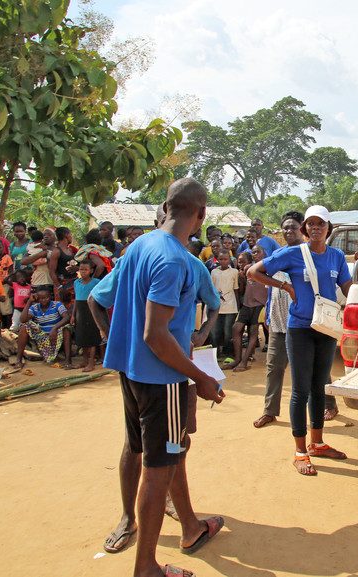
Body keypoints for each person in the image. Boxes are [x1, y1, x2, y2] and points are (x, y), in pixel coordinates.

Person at [90, 178, 224, 577]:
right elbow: (156, 334)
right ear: (200, 215)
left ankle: (189, 527)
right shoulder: (174, 260)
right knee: (159, 466)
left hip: (131, 372)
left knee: (148, 451)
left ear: (166, 207)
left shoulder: (140, 246)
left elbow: (104, 299)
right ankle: (146, 566)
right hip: (162, 377)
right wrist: (200, 377)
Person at [248, 205, 358, 476]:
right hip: (299, 328)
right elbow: (253, 272)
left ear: (328, 227)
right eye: (311, 224)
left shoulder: (335, 256)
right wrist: (285, 286)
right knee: (300, 391)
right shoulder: (293, 253)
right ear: (305, 228)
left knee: (319, 386)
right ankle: (300, 451)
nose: (315, 228)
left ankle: (317, 443)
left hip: (326, 329)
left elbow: (347, 287)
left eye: (320, 223)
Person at [253, 211, 303, 428]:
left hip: (303, 323)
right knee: (274, 367)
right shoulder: (278, 255)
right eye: (286, 227)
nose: (289, 231)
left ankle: (328, 404)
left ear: (302, 229)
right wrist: (269, 312)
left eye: (293, 227)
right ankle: (270, 411)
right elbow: (260, 278)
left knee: (309, 368)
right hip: (279, 322)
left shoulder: (308, 254)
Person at [15, 286, 73, 367]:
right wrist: (29, 302)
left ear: (50, 297)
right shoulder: (34, 307)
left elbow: (67, 317)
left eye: (46, 297)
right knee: (24, 327)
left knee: (66, 329)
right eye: (41, 298)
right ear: (37, 299)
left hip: (56, 335)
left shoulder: (57, 305)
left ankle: (68, 360)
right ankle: (18, 360)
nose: (43, 300)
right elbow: (23, 319)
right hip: (42, 338)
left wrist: (54, 328)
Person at [228, 251, 265, 371]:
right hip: (247, 304)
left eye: (258, 252)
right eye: (253, 252)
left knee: (254, 331)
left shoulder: (266, 267)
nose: (256, 254)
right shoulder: (247, 269)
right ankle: (238, 359)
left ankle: (244, 362)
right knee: (236, 328)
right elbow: (242, 289)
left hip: (260, 304)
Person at [72, 261, 102, 372]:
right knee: (82, 336)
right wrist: (73, 315)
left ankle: (91, 362)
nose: (83, 272)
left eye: (85, 269)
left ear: (91, 271)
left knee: (92, 337)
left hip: (91, 311)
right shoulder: (76, 282)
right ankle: (84, 360)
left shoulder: (96, 282)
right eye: (81, 269)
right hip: (80, 311)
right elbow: (76, 299)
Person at [210, 250, 239, 359]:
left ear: (229, 260)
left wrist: (237, 306)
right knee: (215, 331)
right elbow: (211, 289)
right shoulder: (214, 272)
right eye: (221, 259)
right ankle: (216, 354)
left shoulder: (234, 272)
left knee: (228, 332)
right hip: (217, 306)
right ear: (217, 260)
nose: (223, 261)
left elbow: (236, 289)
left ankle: (228, 354)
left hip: (230, 306)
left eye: (225, 259)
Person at [22, 228, 55, 294]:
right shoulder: (42, 248)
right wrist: (41, 254)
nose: (46, 236)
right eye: (44, 235)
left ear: (55, 237)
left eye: (49, 234)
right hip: (38, 280)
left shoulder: (56, 250)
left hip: (51, 281)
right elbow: (23, 261)